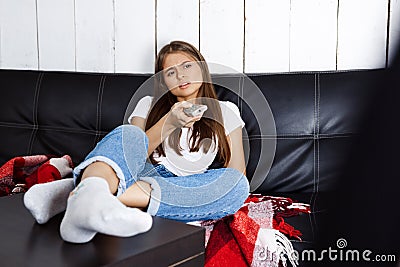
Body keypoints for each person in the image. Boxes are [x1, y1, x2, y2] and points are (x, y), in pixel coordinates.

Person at [23, 40, 250, 244]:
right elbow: (132, 153)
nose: (181, 75)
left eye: (187, 66)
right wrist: (168, 123)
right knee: (128, 134)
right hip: (139, 174)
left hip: (185, 187)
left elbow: (237, 173)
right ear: (163, 81)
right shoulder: (148, 103)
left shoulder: (226, 111)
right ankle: (92, 196)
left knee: (238, 186)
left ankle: (74, 193)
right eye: (171, 72)